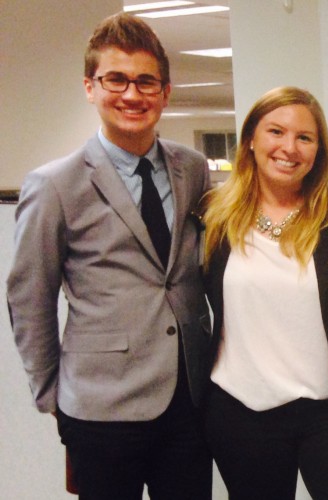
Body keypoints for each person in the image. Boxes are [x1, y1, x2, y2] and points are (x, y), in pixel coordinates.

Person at [7, 12, 213, 499]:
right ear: (90, 87)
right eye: (115, 79)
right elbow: (30, 298)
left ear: (165, 91)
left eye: (146, 81)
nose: (132, 95)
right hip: (100, 409)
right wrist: (53, 396)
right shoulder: (55, 184)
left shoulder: (194, 168)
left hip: (188, 400)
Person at [200, 86, 328, 500]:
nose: (289, 147)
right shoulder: (217, 216)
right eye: (276, 131)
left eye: (304, 138)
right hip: (240, 413)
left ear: (318, 151)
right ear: (251, 139)